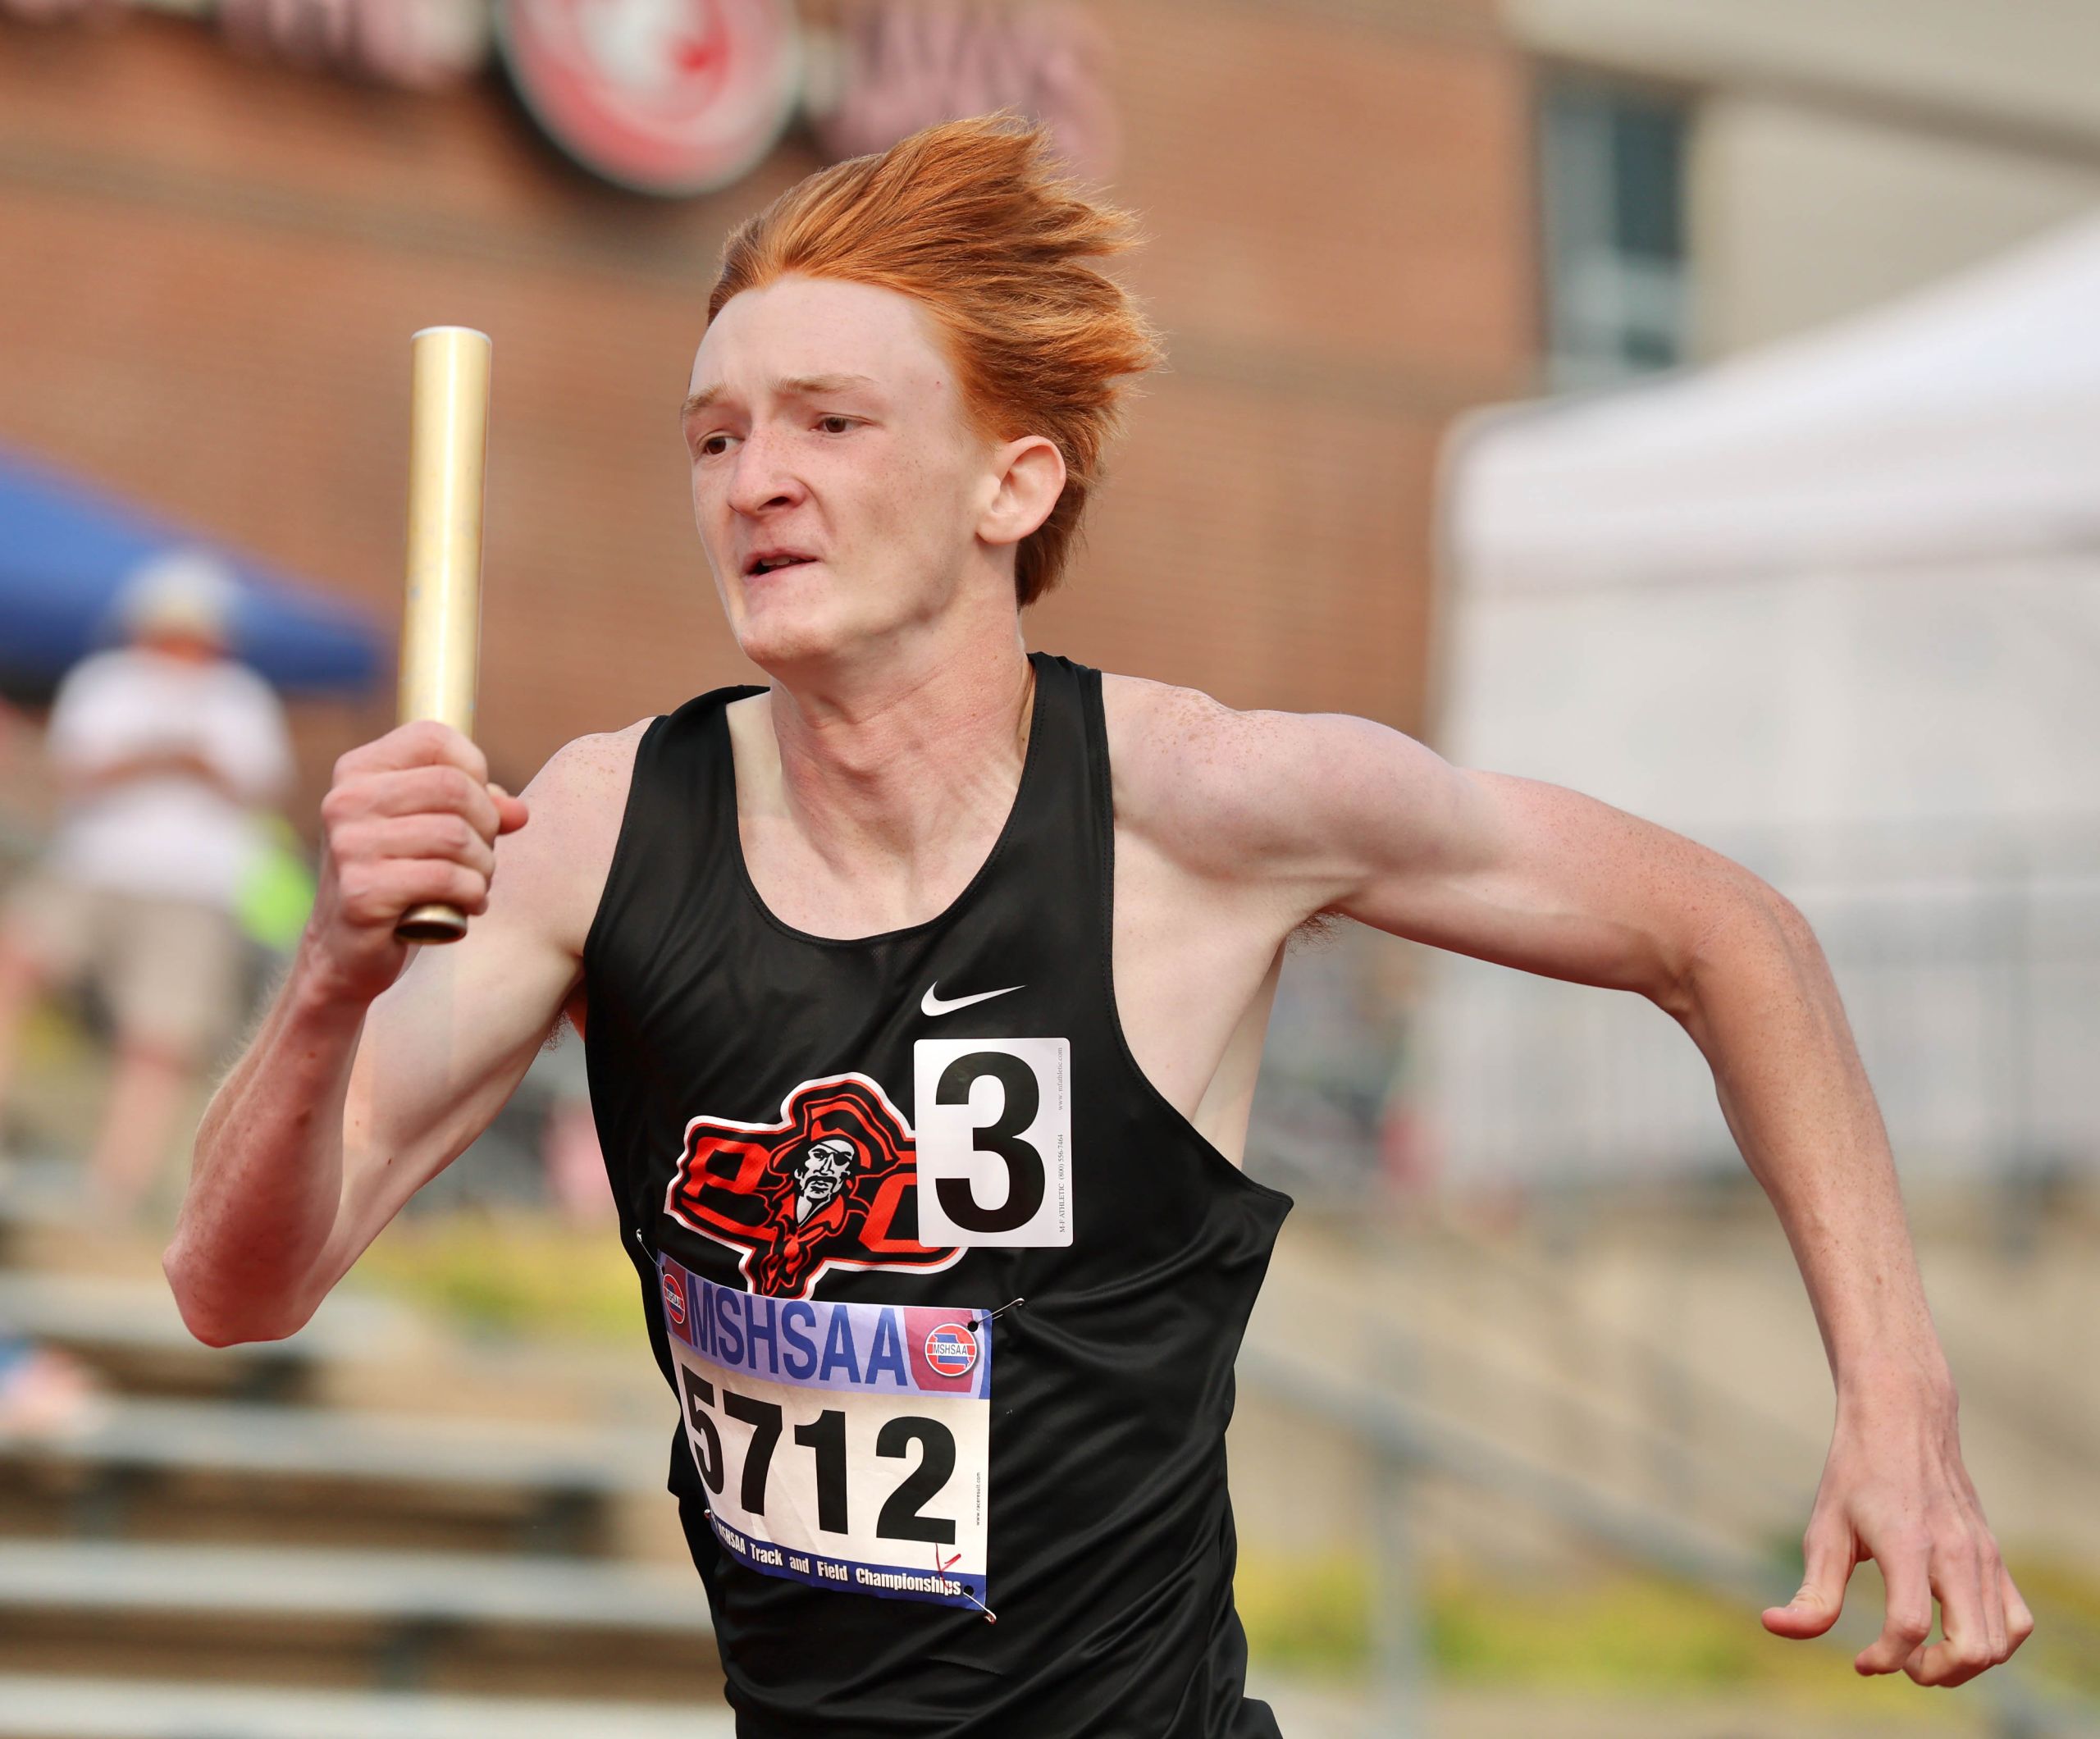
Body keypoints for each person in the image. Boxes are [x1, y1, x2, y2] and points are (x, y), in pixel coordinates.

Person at [164, 116, 2031, 1735]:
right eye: (715, 435)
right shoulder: (593, 830)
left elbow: (1731, 934)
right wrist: (328, 979)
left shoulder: (1203, 810)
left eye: (828, 421)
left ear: (1013, 480)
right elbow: (236, 1286)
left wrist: (1898, 1397)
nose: (754, 480)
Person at [0, 552, 292, 1217]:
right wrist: (170, 759)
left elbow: (257, 788)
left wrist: (168, 762)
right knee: (15, 964)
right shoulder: (106, 682)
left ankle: (115, 1190)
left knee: (160, 1037)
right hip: (93, 867)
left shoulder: (242, 698)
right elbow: (77, 773)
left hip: (194, 890)